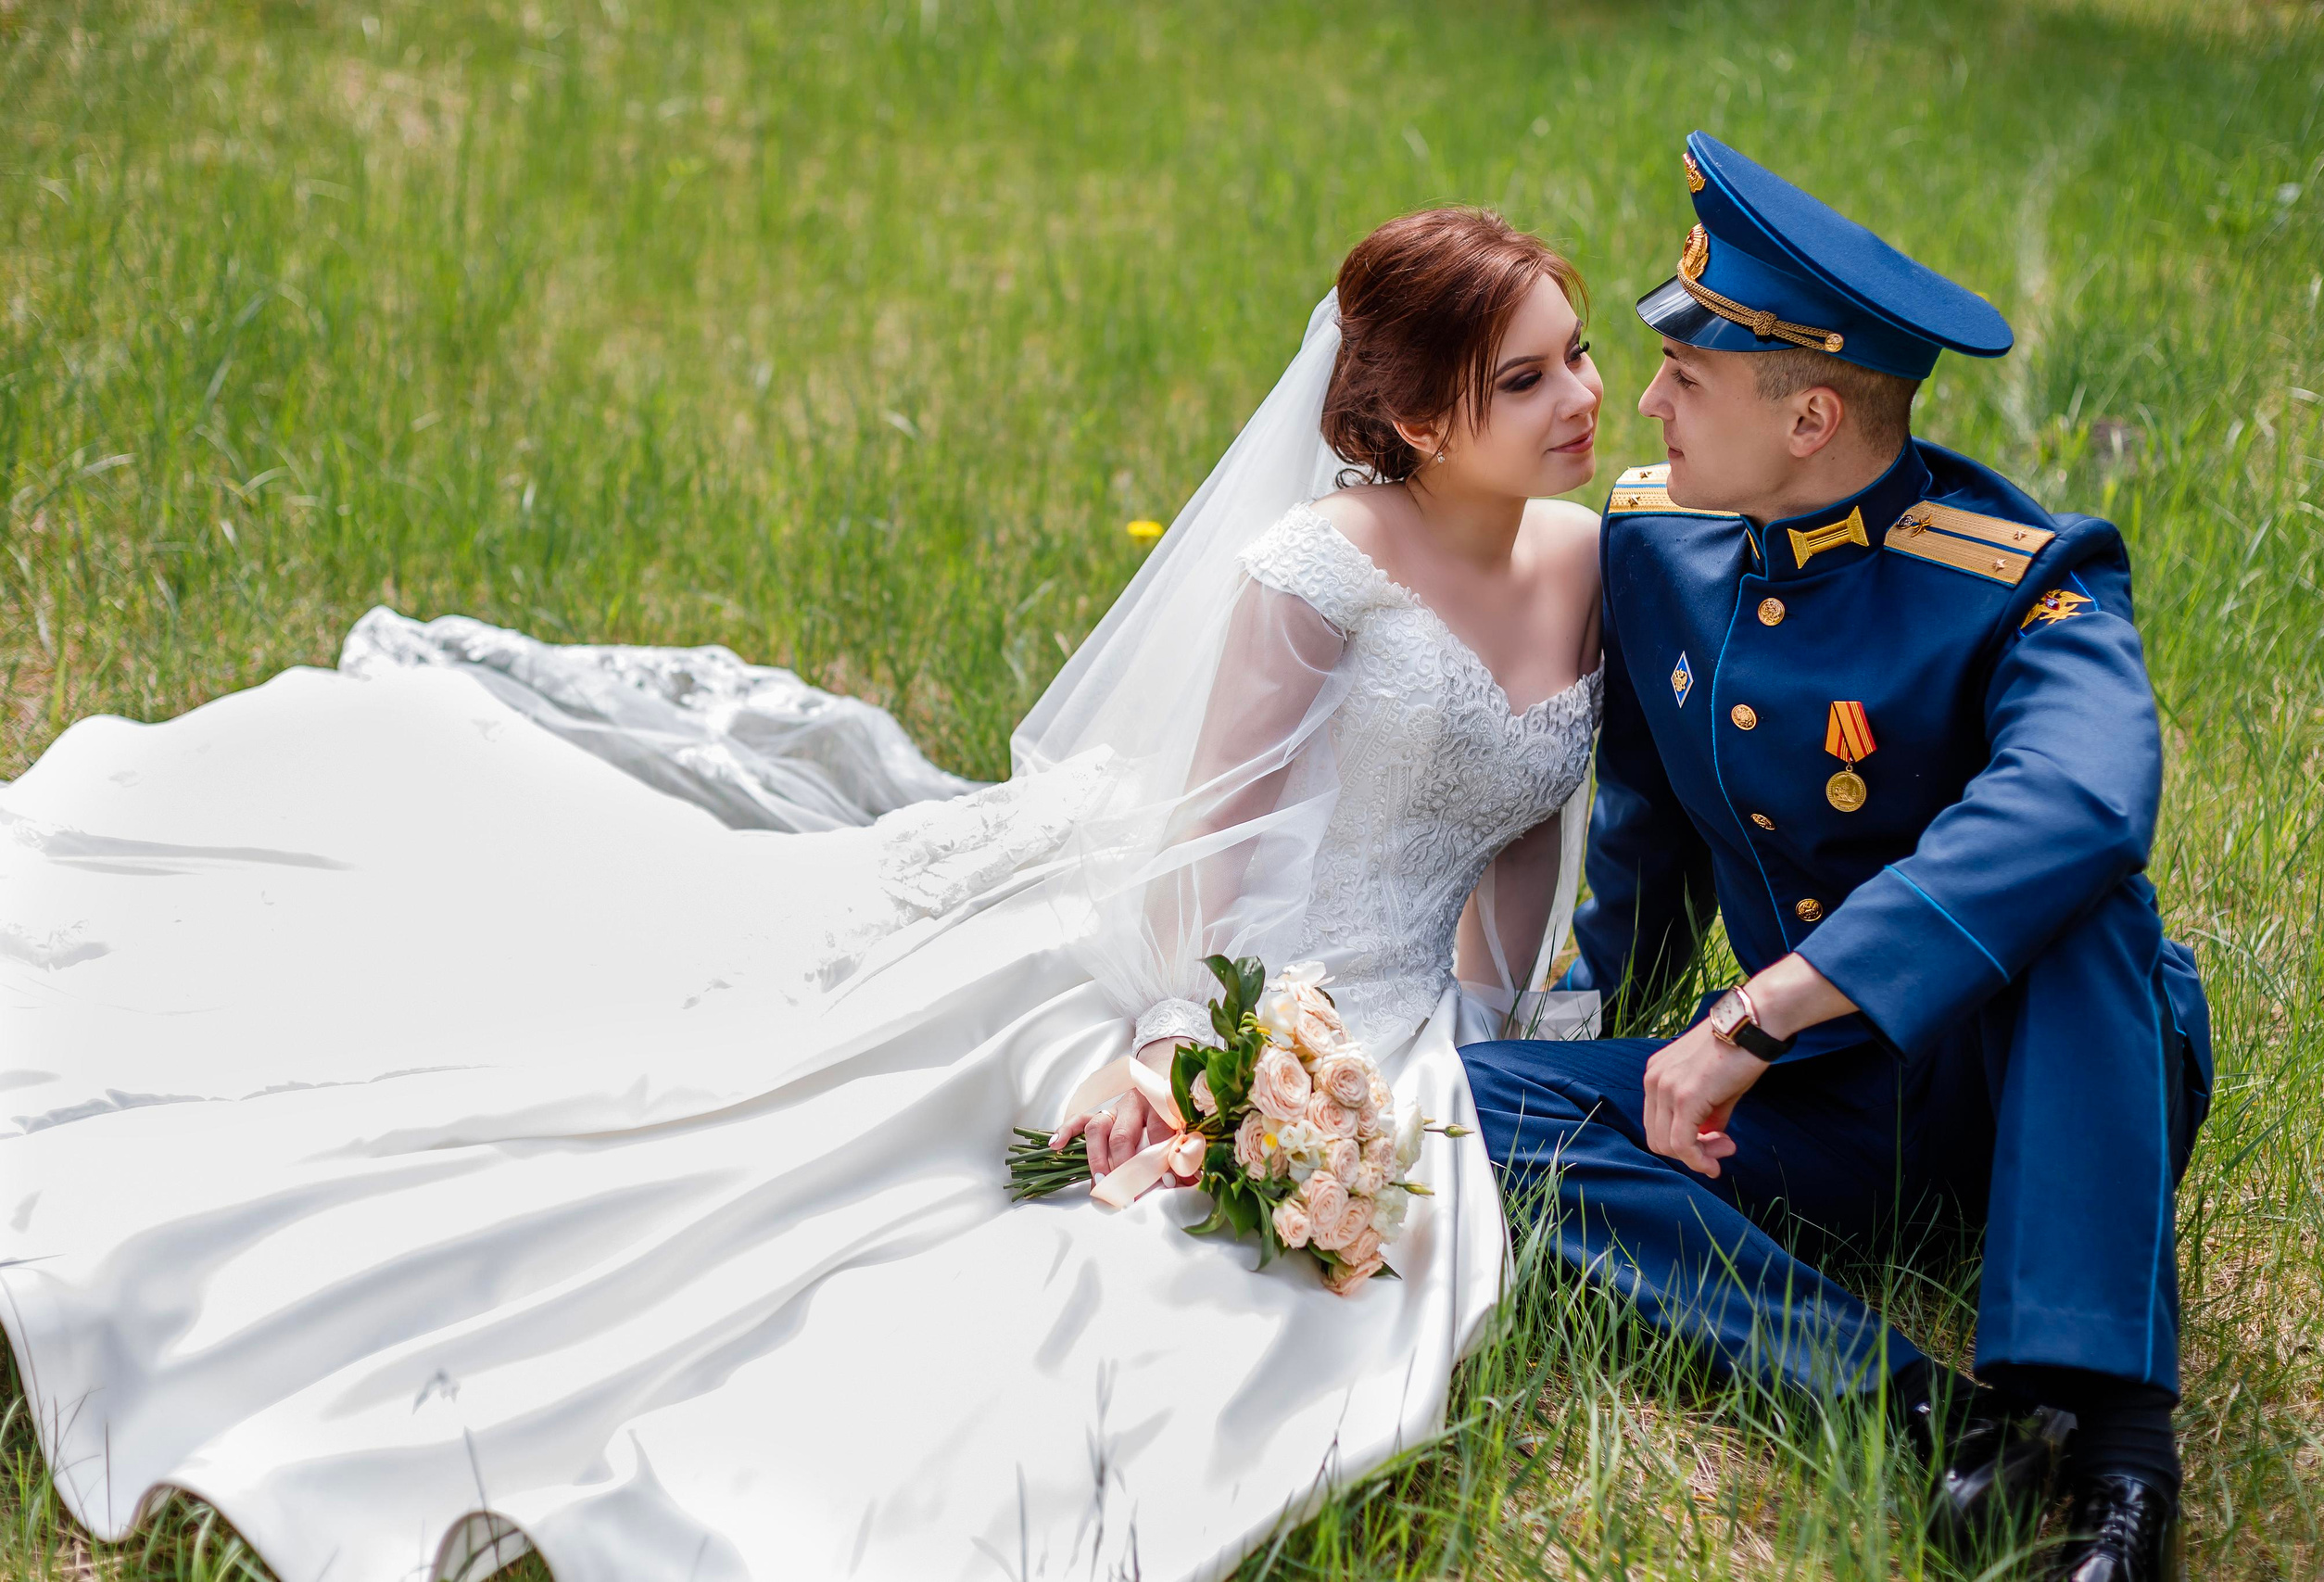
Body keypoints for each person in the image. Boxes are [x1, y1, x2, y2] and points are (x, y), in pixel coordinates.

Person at [0, 209, 1601, 1582]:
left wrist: (1518, 1016)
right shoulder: (1322, 566)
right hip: (1243, 962)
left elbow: (1528, 812)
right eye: (1525, 378)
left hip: (1413, 1016)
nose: (1583, 397)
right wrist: (1192, 1036)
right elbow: (1217, 830)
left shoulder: (1589, 556)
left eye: (1579, 355)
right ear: (1410, 417)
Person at [1460, 133, 2212, 1582]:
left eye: (1688, 376)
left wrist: (1757, 1015)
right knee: (1479, 1104)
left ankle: (2120, 1455)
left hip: (2039, 1094)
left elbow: (2085, 797)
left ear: (1811, 416)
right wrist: (1626, 1032)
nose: (1646, 400)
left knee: (2088, 908)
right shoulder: (1657, 543)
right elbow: (1648, 826)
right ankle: (1923, 1415)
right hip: (1829, 1110)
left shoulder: (2023, 577)